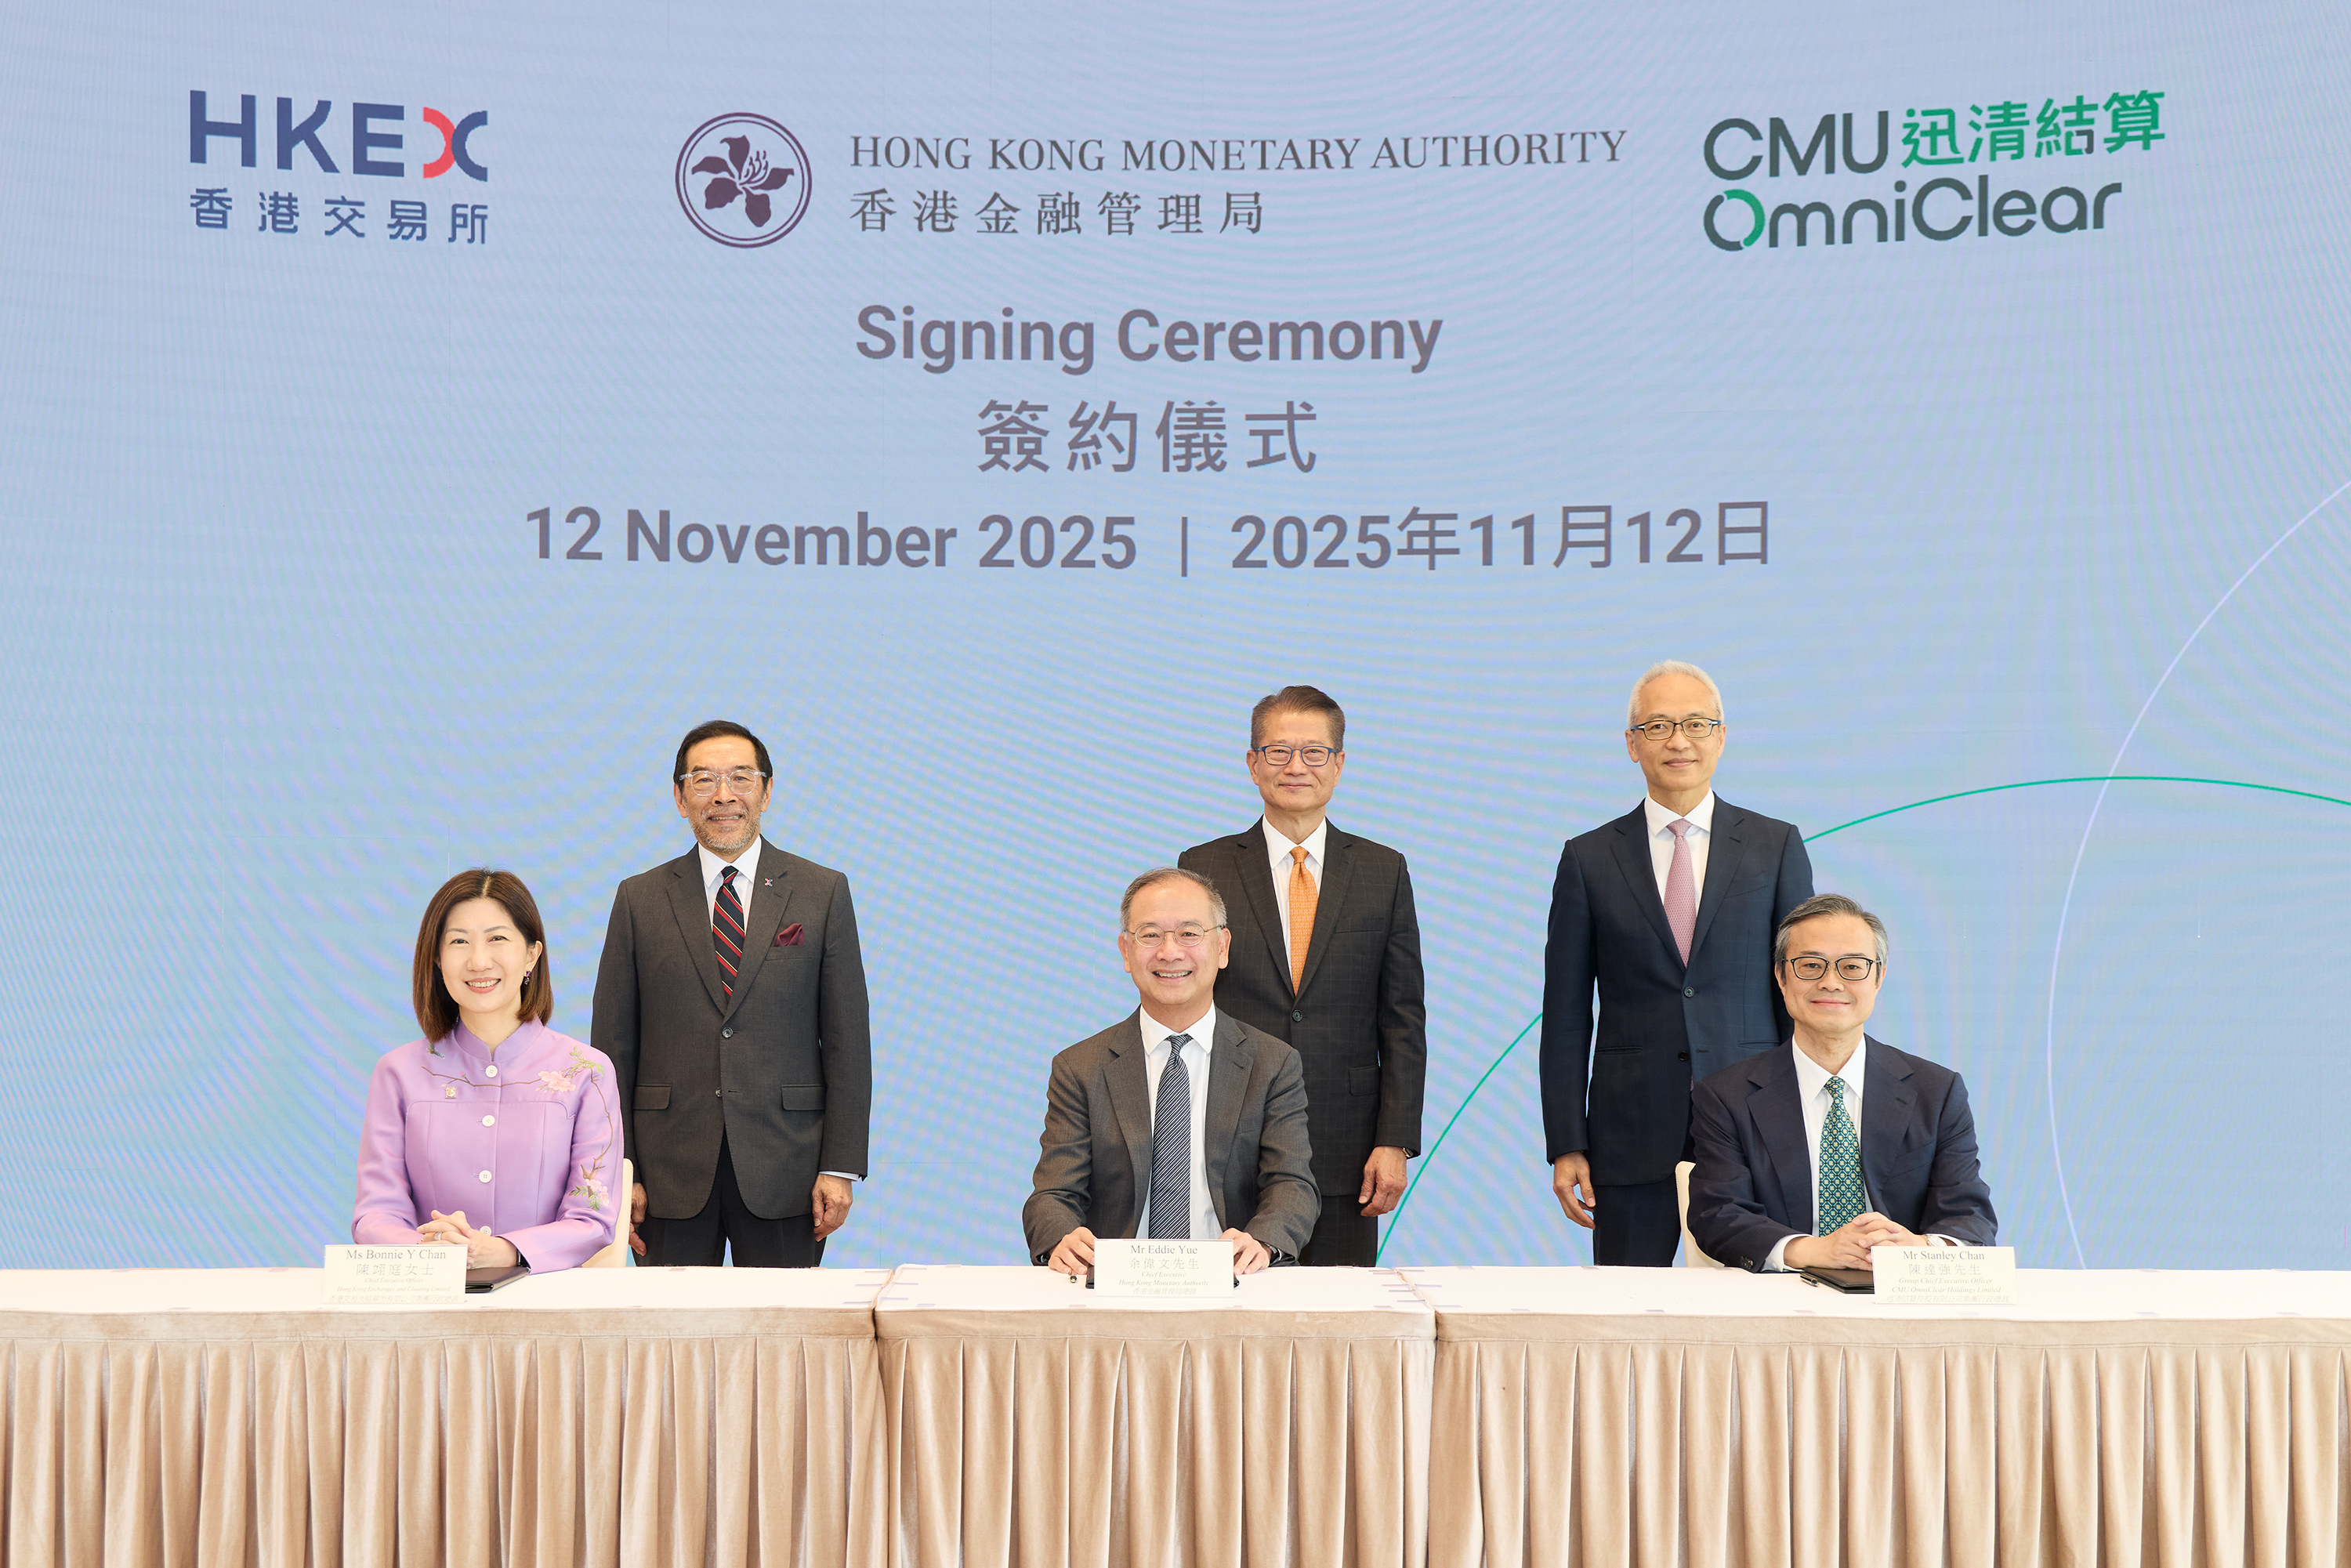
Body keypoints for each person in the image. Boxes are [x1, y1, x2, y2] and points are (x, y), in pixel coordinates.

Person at [1540, 661, 1814, 1265]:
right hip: (1629, 1134)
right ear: (1632, 743)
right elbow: (1565, 1016)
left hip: (1754, 1129)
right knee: (1628, 1309)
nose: (1678, 740)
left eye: (1695, 723)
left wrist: (1804, 1121)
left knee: (1751, 1306)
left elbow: (1799, 996)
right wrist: (1566, 1141)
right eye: (1659, 725)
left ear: (1722, 735)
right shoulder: (1589, 858)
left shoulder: (1775, 846)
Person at [592, 719, 871, 1267]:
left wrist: (839, 1166)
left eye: (741, 778)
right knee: (669, 1324)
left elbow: (847, 1041)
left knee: (781, 1322)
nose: (724, 795)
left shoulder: (821, 892)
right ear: (680, 798)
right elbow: (613, 1047)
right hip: (666, 1173)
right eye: (704, 780)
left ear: (766, 792)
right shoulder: (639, 899)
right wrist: (622, 1171)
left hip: (787, 1169)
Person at [1177, 685, 1425, 1267]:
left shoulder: (1383, 870)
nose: (1296, 766)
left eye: (1314, 752)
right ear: (1252, 763)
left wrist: (1394, 1140)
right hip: (1228, 1139)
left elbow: (1402, 1018)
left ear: (1339, 764)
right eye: (1278, 751)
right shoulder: (1203, 866)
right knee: (1231, 1311)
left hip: (1346, 1148)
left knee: (1342, 1314)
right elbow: (1185, 1004)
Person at [1024, 868, 1320, 1276]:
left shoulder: (1273, 1063)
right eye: (1150, 935)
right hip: (1116, 1284)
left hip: (1233, 1279)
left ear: (1222, 947)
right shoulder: (1080, 1068)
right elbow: (1052, 1195)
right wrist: (1063, 1237)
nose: (1169, 952)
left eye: (1189, 933)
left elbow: (1292, 1185)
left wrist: (1263, 1241)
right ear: (1125, 952)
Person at [1687, 893, 1997, 1270]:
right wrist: (1815, 1251)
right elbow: (1718, 1214)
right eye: (1810, 965)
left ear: (1879, 978)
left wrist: (1918, 1248)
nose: (1831, 982)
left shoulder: (1937, 1091)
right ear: (1781, 977)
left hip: (1898, 1290)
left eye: (1852, 967)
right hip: (1782, 1290)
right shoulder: (1726, 1095)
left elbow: (1970, 1216)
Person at [353, 870, 622, 1271]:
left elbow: (592, 1219)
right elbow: (375, 1214)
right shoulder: (398, 1073)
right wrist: (435, 1252)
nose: (478, 961)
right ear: (437, 958)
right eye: (459, 942)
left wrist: (506, 1251)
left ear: (531, 955)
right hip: (432, 1291)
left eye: (497, 938)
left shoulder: (588, 1072)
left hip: (545, 1296)